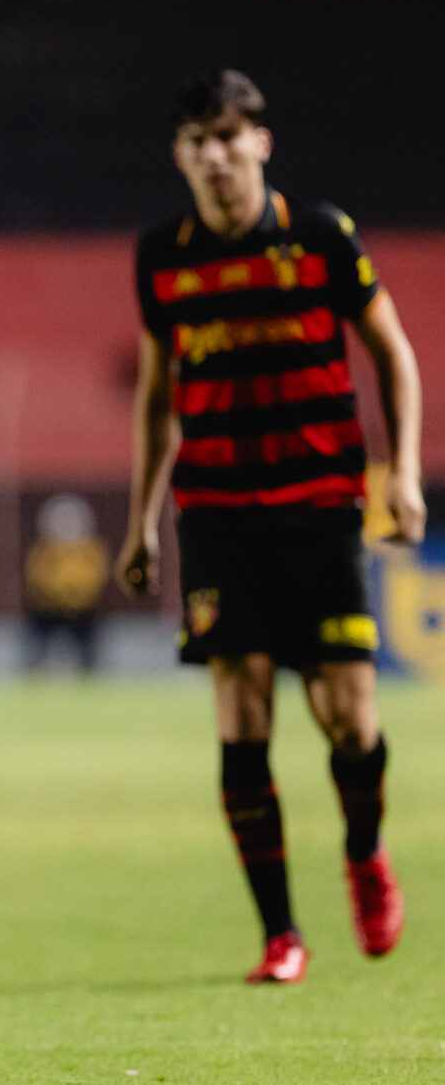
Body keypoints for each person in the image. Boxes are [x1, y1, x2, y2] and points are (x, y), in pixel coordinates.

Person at [116, 70, 425, 983]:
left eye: (228, 136)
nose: (214, 155)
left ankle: (364, 852)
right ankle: (281, 935)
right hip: (215, 513)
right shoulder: (160, 258)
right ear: (179, 156)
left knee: (347, 719)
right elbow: (158, 398)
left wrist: (405, 469)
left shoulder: (319, 237)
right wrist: (141, 521)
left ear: (260, 142)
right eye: (196, 141)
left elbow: (394, 354)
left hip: (320, 508)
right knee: (242, 709)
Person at [23, 493, 106, 674]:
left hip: (81, 612)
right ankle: (34, 674)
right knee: (34, 641)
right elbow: (37, 579)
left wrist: (75, 594)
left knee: (91, 644)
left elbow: (95, 579)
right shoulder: (43, 551)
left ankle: (90, 675)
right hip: (48, 610)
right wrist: (58, 593)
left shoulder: (91, 551)